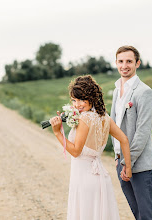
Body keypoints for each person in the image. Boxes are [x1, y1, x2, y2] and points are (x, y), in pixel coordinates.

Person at [50, 75, 132, 220]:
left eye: (82, 99)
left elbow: (75, 152)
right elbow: (124, 140)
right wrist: (128, 168)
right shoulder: (105, 117)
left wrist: (57, 133)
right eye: (74, 100)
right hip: (100, 180)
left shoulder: (85, 118)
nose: (77, 105)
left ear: (91, 97)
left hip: (84, 181)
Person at [111, 45, 152, 220]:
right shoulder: (117, 90)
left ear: (137, 63)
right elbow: (113, 124)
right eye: (121, 61)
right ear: (116, 63)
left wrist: (127, 161)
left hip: (139, 164)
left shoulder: (144, 92)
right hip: (121, 161)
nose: (125, 65)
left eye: (129, 61)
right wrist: (117, 157)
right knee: (137, 213)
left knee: (147, 215)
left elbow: (142, 132)